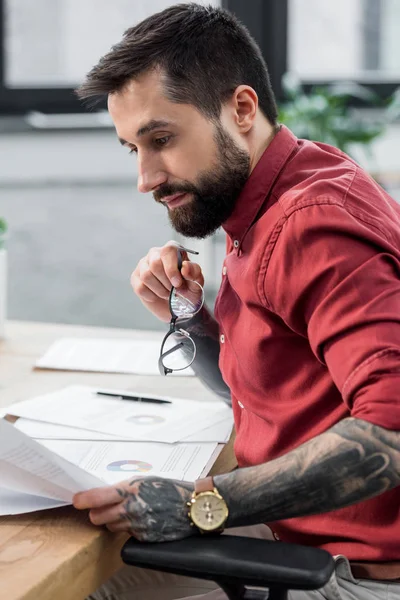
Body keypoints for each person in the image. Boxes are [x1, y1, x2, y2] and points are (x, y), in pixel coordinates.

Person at [72, 4, 400, 599]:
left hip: (343, 575)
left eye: (162, 139)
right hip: (290, 539)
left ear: (241, 109)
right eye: (132, 149)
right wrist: (192, 320)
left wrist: (203, 504)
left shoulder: (311, 223)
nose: (145, 178)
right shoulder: (273, 190)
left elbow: (393, 428)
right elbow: (278, 394)